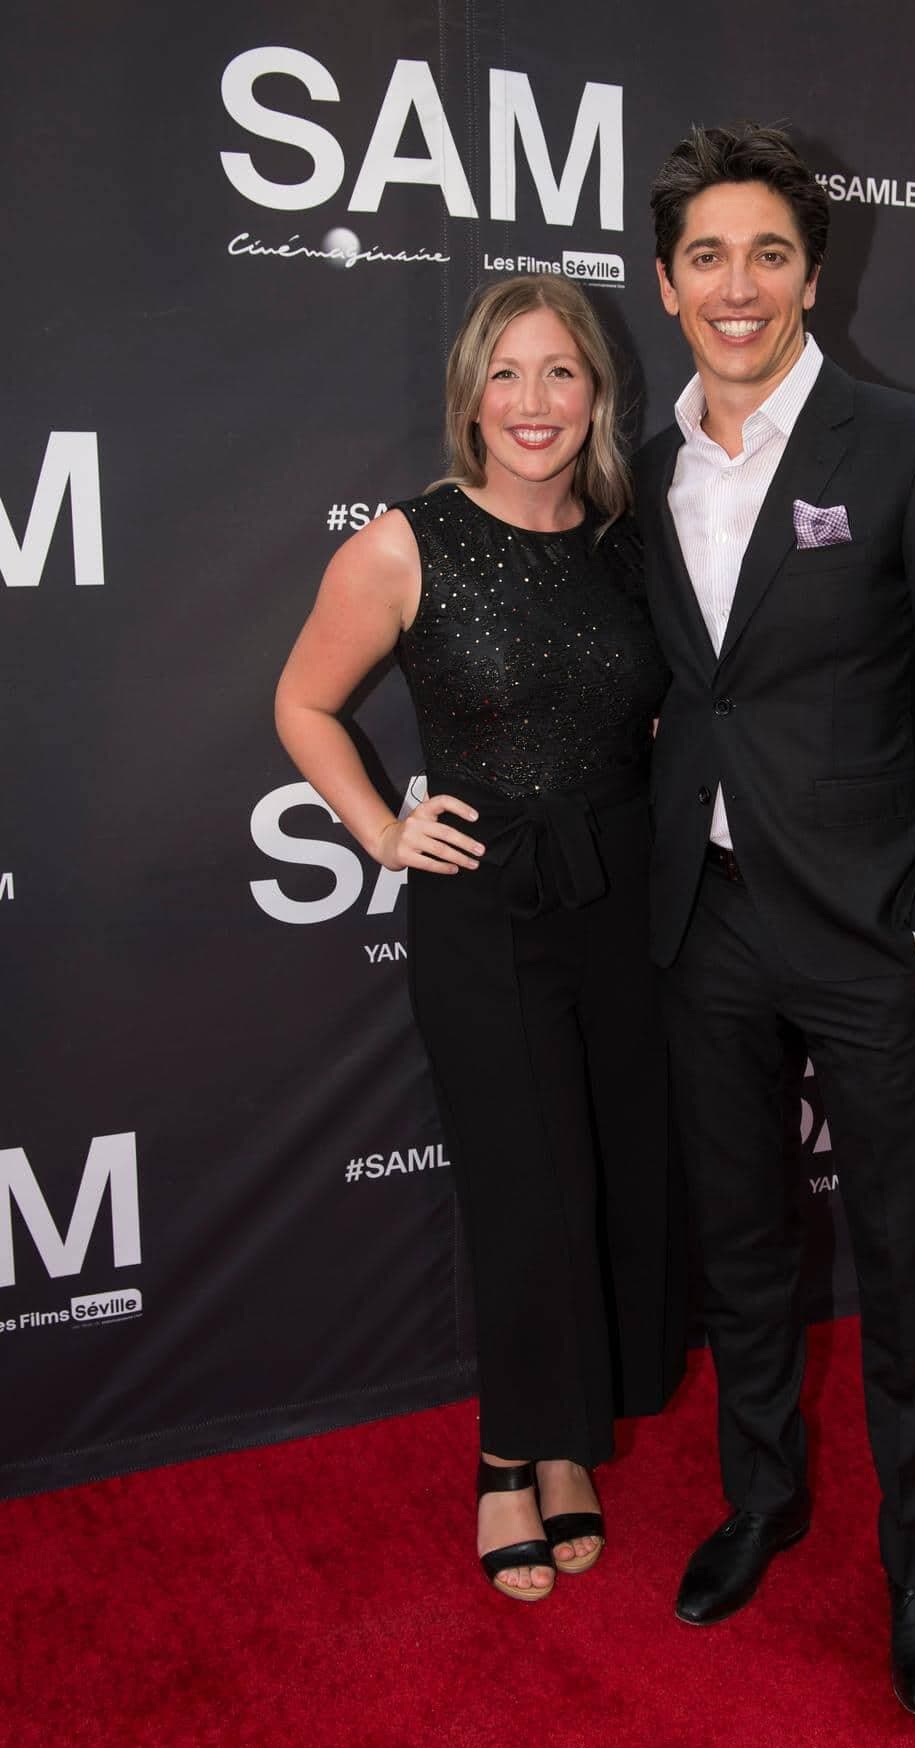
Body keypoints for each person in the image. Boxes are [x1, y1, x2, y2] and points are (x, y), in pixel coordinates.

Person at [636, 124, 915, 1712]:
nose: (738, 286)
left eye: (769, 254)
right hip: (706, 921)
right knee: (739, 1242)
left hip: (872, 929)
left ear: (812, 275)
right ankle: (763, 1497)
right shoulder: (642, 469)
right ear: (668, 287)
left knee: (907, 1263)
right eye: (707, 257)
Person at [276, 275, 684, 1604]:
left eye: (560, 371)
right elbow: (303, 701)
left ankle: (571, 1437)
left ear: (598, 393)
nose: (533, 401)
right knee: (525, 1187)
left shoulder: (629, 543)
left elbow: (661, 708)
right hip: (485, 904)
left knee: (614, 1171)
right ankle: (510, 1451)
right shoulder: (406, 544)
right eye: (505, 373)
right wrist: (382, 831)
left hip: (623, 893)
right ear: (469, 397)